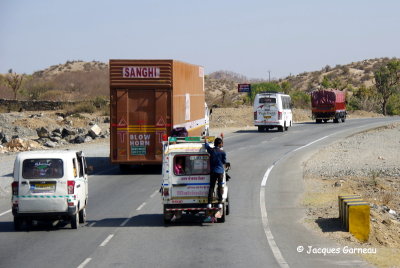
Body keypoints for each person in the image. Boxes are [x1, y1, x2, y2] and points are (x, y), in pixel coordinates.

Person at [205, 137, 226, 209]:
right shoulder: (222, 152)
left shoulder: (211, 150)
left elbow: (206, 146)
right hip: (220, 172)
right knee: (220, 187)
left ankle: (209, 203)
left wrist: (206, 140)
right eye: (222, 143)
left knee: (211, 187)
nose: (222, 144)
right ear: (219, 144)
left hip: (213, 171)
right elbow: (224, 162)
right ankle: (220, 202)